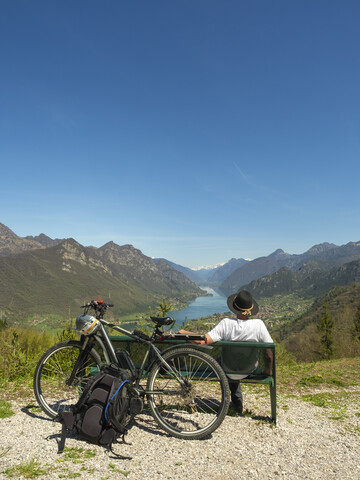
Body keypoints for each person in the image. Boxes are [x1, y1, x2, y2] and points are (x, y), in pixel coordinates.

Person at [178, 290, 273, 415]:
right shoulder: (259, 325)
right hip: (250, 368)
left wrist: (184, 332)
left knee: (222, 362)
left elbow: (203, 340)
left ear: (235, 308)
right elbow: (270, 352)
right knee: (236, 362)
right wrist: (267, 371)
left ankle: (230, 401)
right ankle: (237, 404)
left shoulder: (226, 324)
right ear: (250, 309)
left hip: (228, 368)